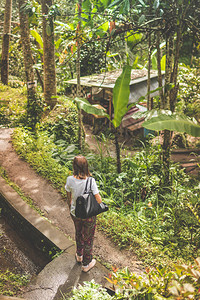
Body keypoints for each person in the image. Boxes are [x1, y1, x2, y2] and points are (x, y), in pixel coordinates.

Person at [65, 155, 103, 272]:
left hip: (75, 213)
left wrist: (71, 207)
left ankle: (79, 255)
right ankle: (86, 264)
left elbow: (69, 197)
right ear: (86, 167)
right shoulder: (91, 181)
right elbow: (99, 200)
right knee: (88, 238)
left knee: (78, 232)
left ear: (74, 167)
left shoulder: (70, 179)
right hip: (88, 215)